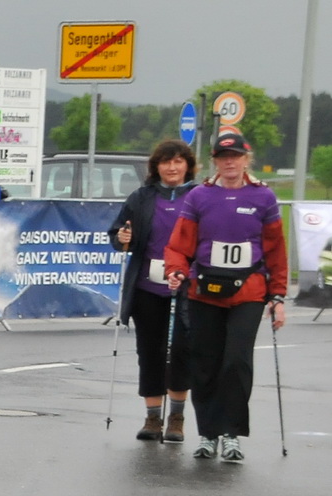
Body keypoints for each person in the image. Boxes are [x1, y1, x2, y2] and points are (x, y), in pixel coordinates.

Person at [163, 130, 287, 463]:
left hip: (249, 291)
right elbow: (179, 244)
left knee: (236, 360)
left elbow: (276, 250)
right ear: (216, 162)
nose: (230, 162)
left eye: (236, 157)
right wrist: (175, 269)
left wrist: (278, 295)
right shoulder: (199, 197)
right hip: (205, 290)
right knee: (205, 362)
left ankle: (231, 433)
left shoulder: (264, 198)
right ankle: (208, 433)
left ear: (247, 159)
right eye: (223, 157)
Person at [108, 140, 196, 442]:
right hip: (147, 288)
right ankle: (152, 418)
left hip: (186, 287)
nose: (172, 168)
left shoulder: (198, 196)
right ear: (156, 167)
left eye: (177, 162)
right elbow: (118, 235)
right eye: (165, 162)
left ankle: (177, 418)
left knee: (181, 353)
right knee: (150, 352)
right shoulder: (142, 198)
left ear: (187, 165)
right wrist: (122, 237)